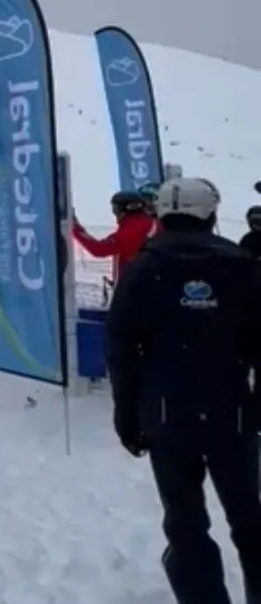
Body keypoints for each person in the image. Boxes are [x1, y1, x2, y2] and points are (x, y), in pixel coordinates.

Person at [105, 176, 261, 604]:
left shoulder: (143, 269)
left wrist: (127, 417)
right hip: (233, 414)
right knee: (250, 519)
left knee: (185, 523)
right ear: (210, 214)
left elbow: (121, 350)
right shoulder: (242, 266)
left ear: (161, 215)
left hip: (167, 415)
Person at [72, 189, 156, 282]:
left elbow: (99, 249)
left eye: (115, 209)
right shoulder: (149, 224)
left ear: (123, 209)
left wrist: (74, 227)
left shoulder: (131, 231)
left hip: (135, 285)